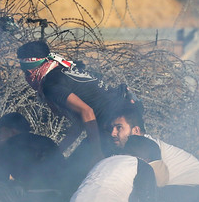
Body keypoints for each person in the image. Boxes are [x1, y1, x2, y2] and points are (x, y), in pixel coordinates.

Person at [16, 40, 132, 173]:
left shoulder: (51, 85)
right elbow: (80, 123)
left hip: (114, 125)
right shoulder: (60, 71)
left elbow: (87, 111)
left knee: (74, 175)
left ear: (37, 69)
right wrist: (58, 152)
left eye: (28, 74)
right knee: (72, 168)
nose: (27, 80)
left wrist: (96, 154)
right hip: (123, 115)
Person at [107, 101, 199, 188]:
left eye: (119, 128)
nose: (113, 133)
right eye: (111, 128)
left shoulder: (147, 147)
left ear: (136, 131)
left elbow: (155, 183)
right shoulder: (138, 147)